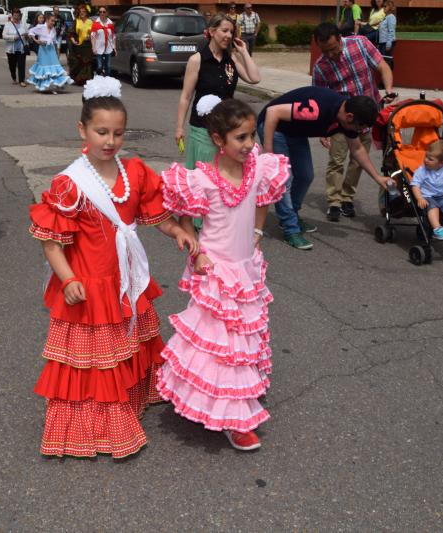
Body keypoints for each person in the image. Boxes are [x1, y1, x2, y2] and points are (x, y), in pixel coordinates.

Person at [29, 77, 198, 458]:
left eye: (118, 133)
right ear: (83, 130)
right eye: (101, 131)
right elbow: (50, 240)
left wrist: (176, 233)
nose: (110, 141)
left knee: (129, 345)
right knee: (95, 363)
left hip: (126, 278)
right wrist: (67, 277)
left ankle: (132, 401)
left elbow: (153, 213)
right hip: (89, 286)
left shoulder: (134, 172)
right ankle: (96, 429)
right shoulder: (70, 184)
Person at [156, 98, 288, 451]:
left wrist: (258, 235)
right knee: (222, 345)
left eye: (252, 136)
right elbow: (185, 214)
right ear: (218, 140)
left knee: (244, 341)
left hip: (246, 266)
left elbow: (263, 200)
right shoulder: (201, 179)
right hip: (216, 269)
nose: (249, 145)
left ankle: (234, 401)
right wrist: (196, 251)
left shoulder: (258, 167)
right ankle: (235, 419)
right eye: (241, 138)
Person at [257, 87, 391, 250]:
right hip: (275, 128)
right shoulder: (316, 109)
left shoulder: (345, 118)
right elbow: (273, 111)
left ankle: (293, 214)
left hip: (295, 132)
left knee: (306, 175)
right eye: (358, 127)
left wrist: (378, 177)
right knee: (284, 181)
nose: (358, 132)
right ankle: (289, 228)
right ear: (349, 117)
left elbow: (357, 149)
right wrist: (268, 151)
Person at [312, 22, 395, 223]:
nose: (330, 54)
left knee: (359, 160)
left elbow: (382, 66)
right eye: (325, 51)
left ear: (340, 39)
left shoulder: (360, 44)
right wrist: (323, 130)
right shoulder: (321, 67)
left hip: (367, 115)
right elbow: (319, 99)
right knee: (337, 159)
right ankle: (334, 201)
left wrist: (389, 89)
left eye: (332, 48)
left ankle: (347, 197)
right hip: (341, 120)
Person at [175, 14, 260, 171]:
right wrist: (179, 127)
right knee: (205, 175)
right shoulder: (197, 60)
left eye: (231, 32)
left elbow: (254, 78)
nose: (228, 36)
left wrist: (243, 51)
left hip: (227, 128)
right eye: (224, 31)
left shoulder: (231, 58)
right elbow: (186, 97)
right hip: (202, 130)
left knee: (223, 177)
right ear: (212, 32)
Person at [27, 14, 73, 93]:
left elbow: (55, 41)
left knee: (55, 68)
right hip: (43, 50)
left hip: (51, 50)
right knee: (45, 69)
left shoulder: (53, 29)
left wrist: (56, 52)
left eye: (54, 21)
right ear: (47, 20)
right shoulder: (40, 27)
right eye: (52, 21)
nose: (53, 23)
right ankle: (45, 86)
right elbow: (30, 31)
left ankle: (56, 85)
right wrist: (36, 40)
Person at [68, 4, 94, 85]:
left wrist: (90, 37)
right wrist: (73, 41)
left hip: (88, 45)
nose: (82, 13)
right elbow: (71, 33)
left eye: (84, 12)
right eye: (80, 12)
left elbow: (94, 33)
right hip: (78, 46)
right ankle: (79, 80)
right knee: (78, 62)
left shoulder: (90, 22)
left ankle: (87, 79)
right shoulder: (76, 21)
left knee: (87, 63)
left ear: (86, 13)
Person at [3, 9, 29, 87]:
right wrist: (14, 37)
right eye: (15, 15)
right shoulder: (8, 24)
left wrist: (27, 36)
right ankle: (14, 77)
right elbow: (4, 36)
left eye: (18, 15)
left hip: (21, 48)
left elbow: (27, 35)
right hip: (11, 49)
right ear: (12, 15)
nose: (16, 17)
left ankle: (21, 80)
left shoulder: (23, 24)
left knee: (21, 65)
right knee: (12, 65)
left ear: (20, 16)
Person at [90, 7, 115, 77]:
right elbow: (93, 36)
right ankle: (98, 77)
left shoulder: (110, 23)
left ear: (106, 13)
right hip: (99, 48)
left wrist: (114, 47)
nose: (102, 13)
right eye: (100, 12)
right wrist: (93, 47)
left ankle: (107, 80)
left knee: (108, 66)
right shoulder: (95, 23)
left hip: (108, 48)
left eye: (104, 12)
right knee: (99, 66)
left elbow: (113, 36)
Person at [377, 0, 397, 67]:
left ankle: (387, 76)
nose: (383, 8)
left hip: (386, 42)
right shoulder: (386, 17)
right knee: (383, 62)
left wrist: (388, 44)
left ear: (390, 7)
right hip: (382, 42)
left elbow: (391, 31)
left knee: (386, 63)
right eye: (383, 6)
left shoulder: (391, 17)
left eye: (385, 6)